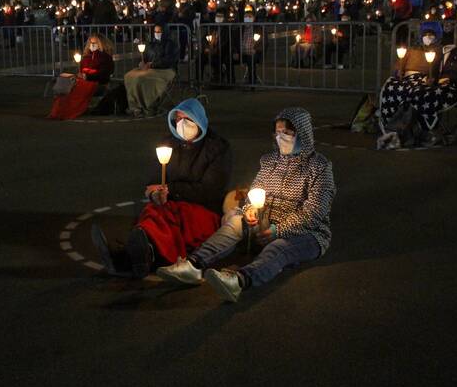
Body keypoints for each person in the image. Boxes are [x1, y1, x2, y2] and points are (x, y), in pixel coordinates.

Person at [156, 108, 335, 303]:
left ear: (303, 133)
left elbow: (315, 211)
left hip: (307, 232)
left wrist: (280, 230)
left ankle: (240, 280)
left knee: (280, 247)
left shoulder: (319, 167)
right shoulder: (269, 162)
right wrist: (250, 211)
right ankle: (193, 265)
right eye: (277, 132)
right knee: (235, 222)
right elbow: (253, 194)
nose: (281, 137)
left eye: (287, 132)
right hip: (266, 220)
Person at [93, 98, 233, 278]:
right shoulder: (169, 144)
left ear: (199, 119)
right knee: (153, 210)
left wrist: (171, 189)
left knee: (165, 216)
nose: (181, 124)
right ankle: (141, 254)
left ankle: (132, 255)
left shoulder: (217, 148)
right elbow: (154, 178)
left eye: (187, 119)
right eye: (177, 120)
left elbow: (210, 190)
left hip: (203, 209)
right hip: (170, 203)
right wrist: (154, 193)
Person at [48, 34, 114, 120]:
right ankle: (59, 111)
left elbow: (104, 74)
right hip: (84, 81)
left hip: (96, 82)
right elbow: (82, 71)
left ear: (101, 43)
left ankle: (69, 111)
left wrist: (88, 76)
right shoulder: (86, 57)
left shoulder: (106, 58)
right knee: (66, 86)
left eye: (95, 42)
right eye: (91, 42)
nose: (92, 44)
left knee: (76, 90)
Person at [124, 24, 178, 117]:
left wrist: (152, 64)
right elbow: (146, 56)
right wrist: (142, 62)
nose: (157, 34)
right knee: (129, 76)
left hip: (165, 69)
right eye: (155, 32)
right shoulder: (152, 44)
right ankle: (134, 106)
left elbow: (168, 60)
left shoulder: (171, 44)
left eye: (159, 32)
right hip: (150, 68)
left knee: (141, 78)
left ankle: (146, 105)